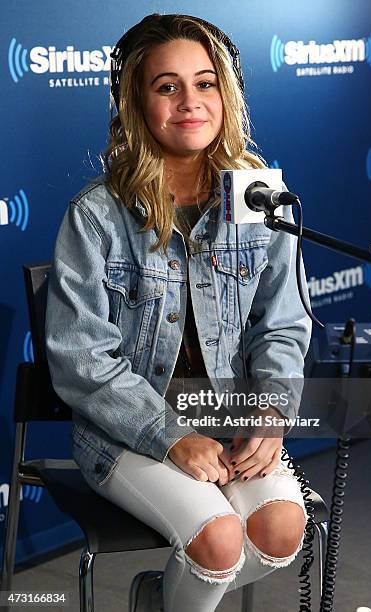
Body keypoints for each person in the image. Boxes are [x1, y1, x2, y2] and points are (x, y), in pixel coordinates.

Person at [45, 13, 312, 612]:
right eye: (167, 86)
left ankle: (161, 601)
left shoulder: (256, 196)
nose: (190, 100)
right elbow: (80, 360)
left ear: (228, 93)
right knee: (217, 543)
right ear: (137, 103)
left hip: (227, 418)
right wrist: (172, 437)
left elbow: (283, 323)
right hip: (126, 436)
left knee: (280, 533)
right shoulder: (97, 216)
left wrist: (270, 410)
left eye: (205, 82)